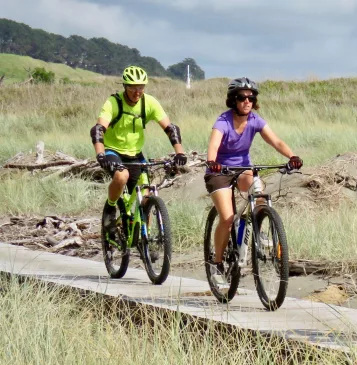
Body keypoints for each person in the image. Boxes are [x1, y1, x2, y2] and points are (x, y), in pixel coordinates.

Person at [205, 77, 303, 285]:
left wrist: (292, 157)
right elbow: (213, 146)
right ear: (233, 100)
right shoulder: (223, 121)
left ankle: (259, 231)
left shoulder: (255, 120)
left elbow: (276, 141)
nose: (247, 101)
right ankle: (217, 263)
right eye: (241, 98)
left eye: (251, 98)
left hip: (242, 169)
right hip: (219, 171)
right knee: (228, 218)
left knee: (258, 189)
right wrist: (212, 162)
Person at [91, 65, 187, 235]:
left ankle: (146, 238)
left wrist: (180, 152)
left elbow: (171, 128)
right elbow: (98, 130)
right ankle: (111, 208)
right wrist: (100, 154)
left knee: (146, 196)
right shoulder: (113, 102)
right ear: (125, 86)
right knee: (122, 175)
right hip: (113, 151)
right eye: (133, 87)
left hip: (135, 154)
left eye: (141, 87)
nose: (137, 91)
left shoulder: (149, 103)